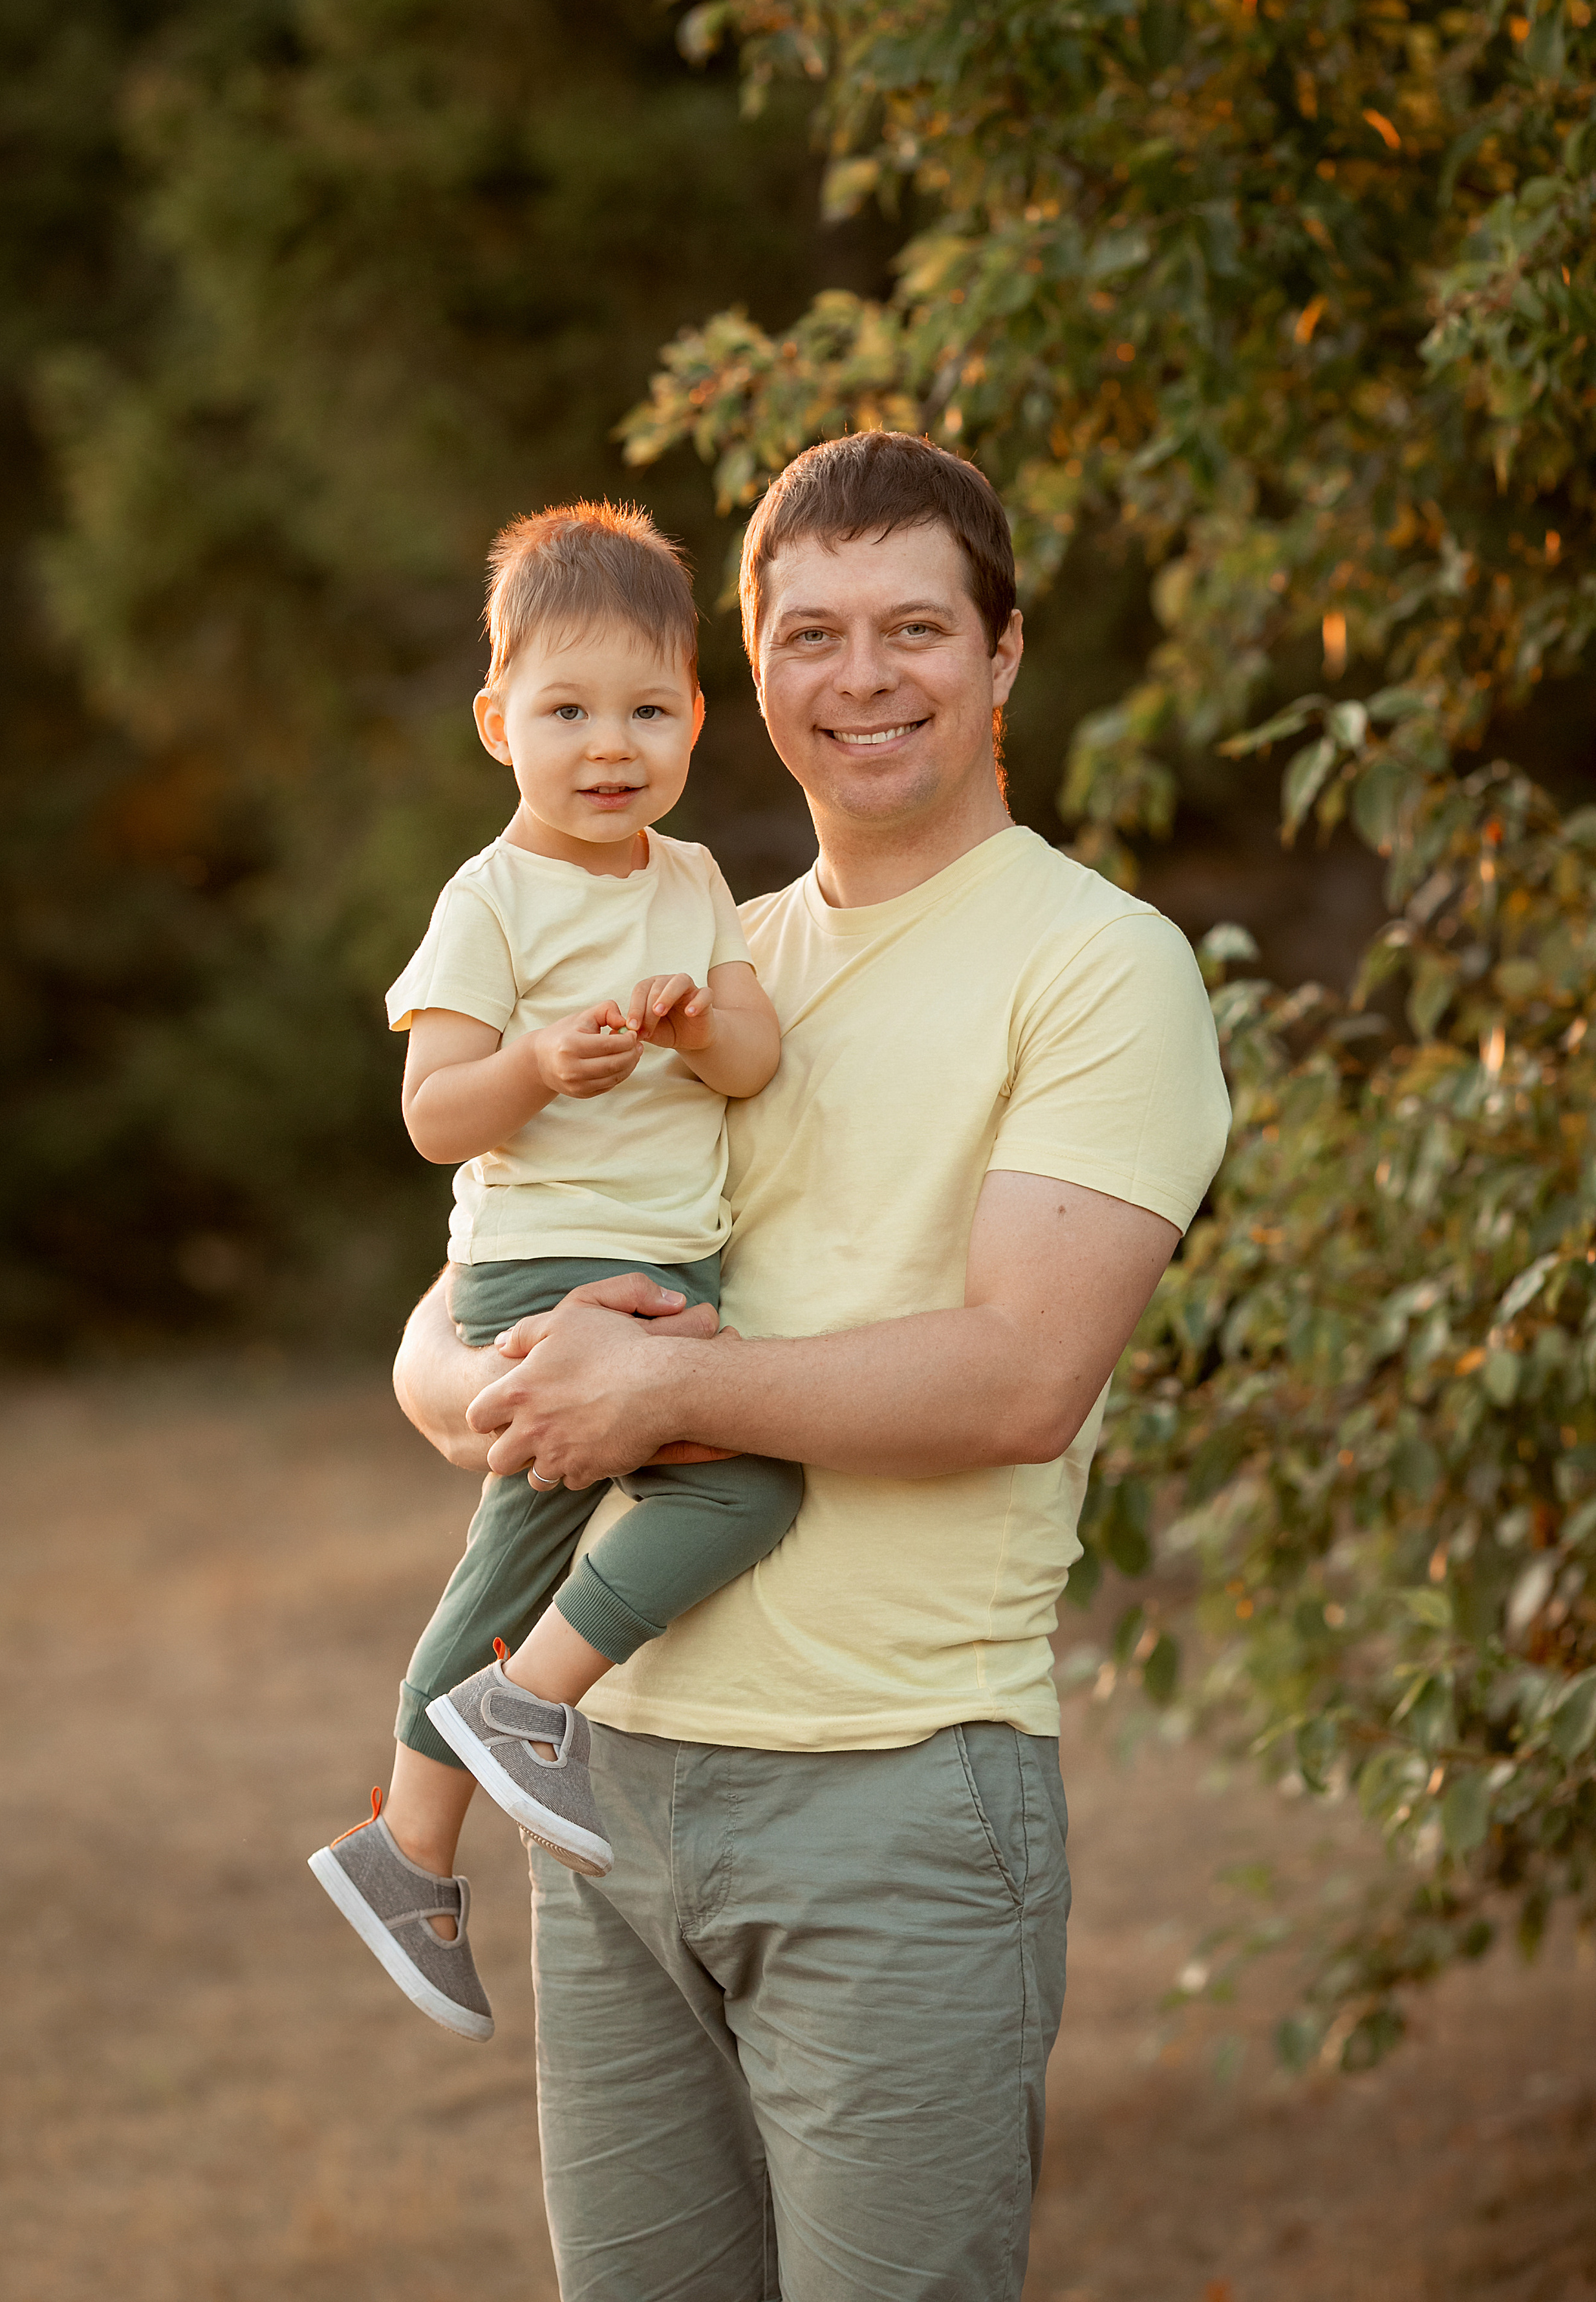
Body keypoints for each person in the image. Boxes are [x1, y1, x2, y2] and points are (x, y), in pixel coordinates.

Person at [394, 432, 1232, 2299]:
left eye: (916, 628)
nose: (863, 679)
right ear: (747, 678)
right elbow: (456, 1314)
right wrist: (489, 1396)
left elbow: (1022, 1378)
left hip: (896, 1793)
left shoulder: (1099, 969)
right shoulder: (694, 949)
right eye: (813, 634)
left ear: (1004, 655)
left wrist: (665, 1399)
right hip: (600, 1782)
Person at [310, 501, 795, 2044]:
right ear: (494, 720)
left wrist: (693, 1019)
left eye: (648, 710)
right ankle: (526, 1710)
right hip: (544, 1270)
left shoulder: (693, 878)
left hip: (662, 1258)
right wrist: (535, 1066)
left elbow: (751, 1051)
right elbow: (432, 1114)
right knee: (748, 1487)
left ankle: (407, 1848)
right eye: (568, 711)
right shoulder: (489, 900)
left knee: (512, 1555)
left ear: (696, 720)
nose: (611, 745)